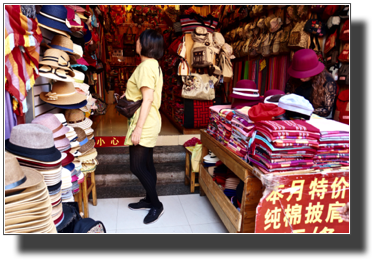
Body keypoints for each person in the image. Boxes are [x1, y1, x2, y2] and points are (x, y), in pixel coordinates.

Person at [121, 29, 165, 224]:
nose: (136, 42)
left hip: (145, 123)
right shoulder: (152, 65)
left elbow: (147, 99)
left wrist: (138, 128)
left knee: (137, 166)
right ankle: (149, 199)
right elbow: (143, 96)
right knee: (147, 163)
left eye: (138, 40)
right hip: (149, 119)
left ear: (146, 44)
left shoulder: (146, 66)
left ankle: (156, 204)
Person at [285, 49, 337, 118]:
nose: (301, 78)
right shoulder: (293, 80)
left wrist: (303, 110)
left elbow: (326, 110)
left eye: (304, 75)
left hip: (316, 119)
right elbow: (287, 98)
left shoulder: (328, 82)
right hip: (294, 117)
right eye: (299, 75)